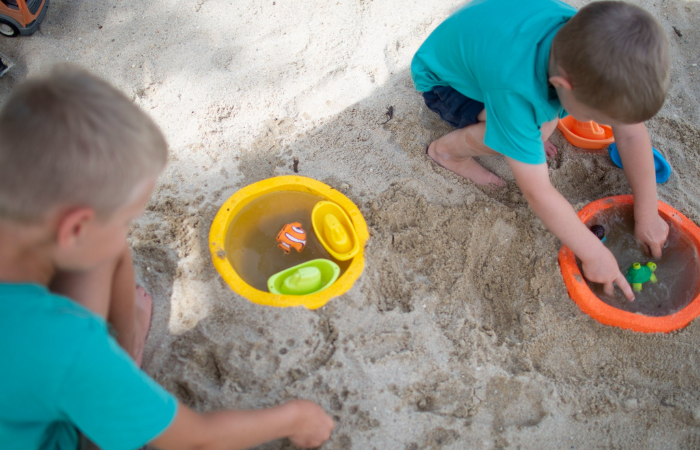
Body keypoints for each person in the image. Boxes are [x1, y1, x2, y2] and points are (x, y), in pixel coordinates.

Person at [0, 66, 334, 450]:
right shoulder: (66, 348)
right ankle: (115, 373)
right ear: (75, 228)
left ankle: (128, 346)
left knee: (109, 253)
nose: (127, 230)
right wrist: (295, 418)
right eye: (125, 220)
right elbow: (194, 440)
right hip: (52, 433)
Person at [411, 0, 670, 300]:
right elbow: (539, 193)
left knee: (538, 123)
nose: (606, 125)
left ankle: (528, 132)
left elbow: (631, 135)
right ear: (562, 84)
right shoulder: (516, 93)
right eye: (598, 117)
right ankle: (447, 152)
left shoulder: (582, 36)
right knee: (528, 127)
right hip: (444, 84)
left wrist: (648, 212)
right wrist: (593, 253)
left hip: (487, 53)